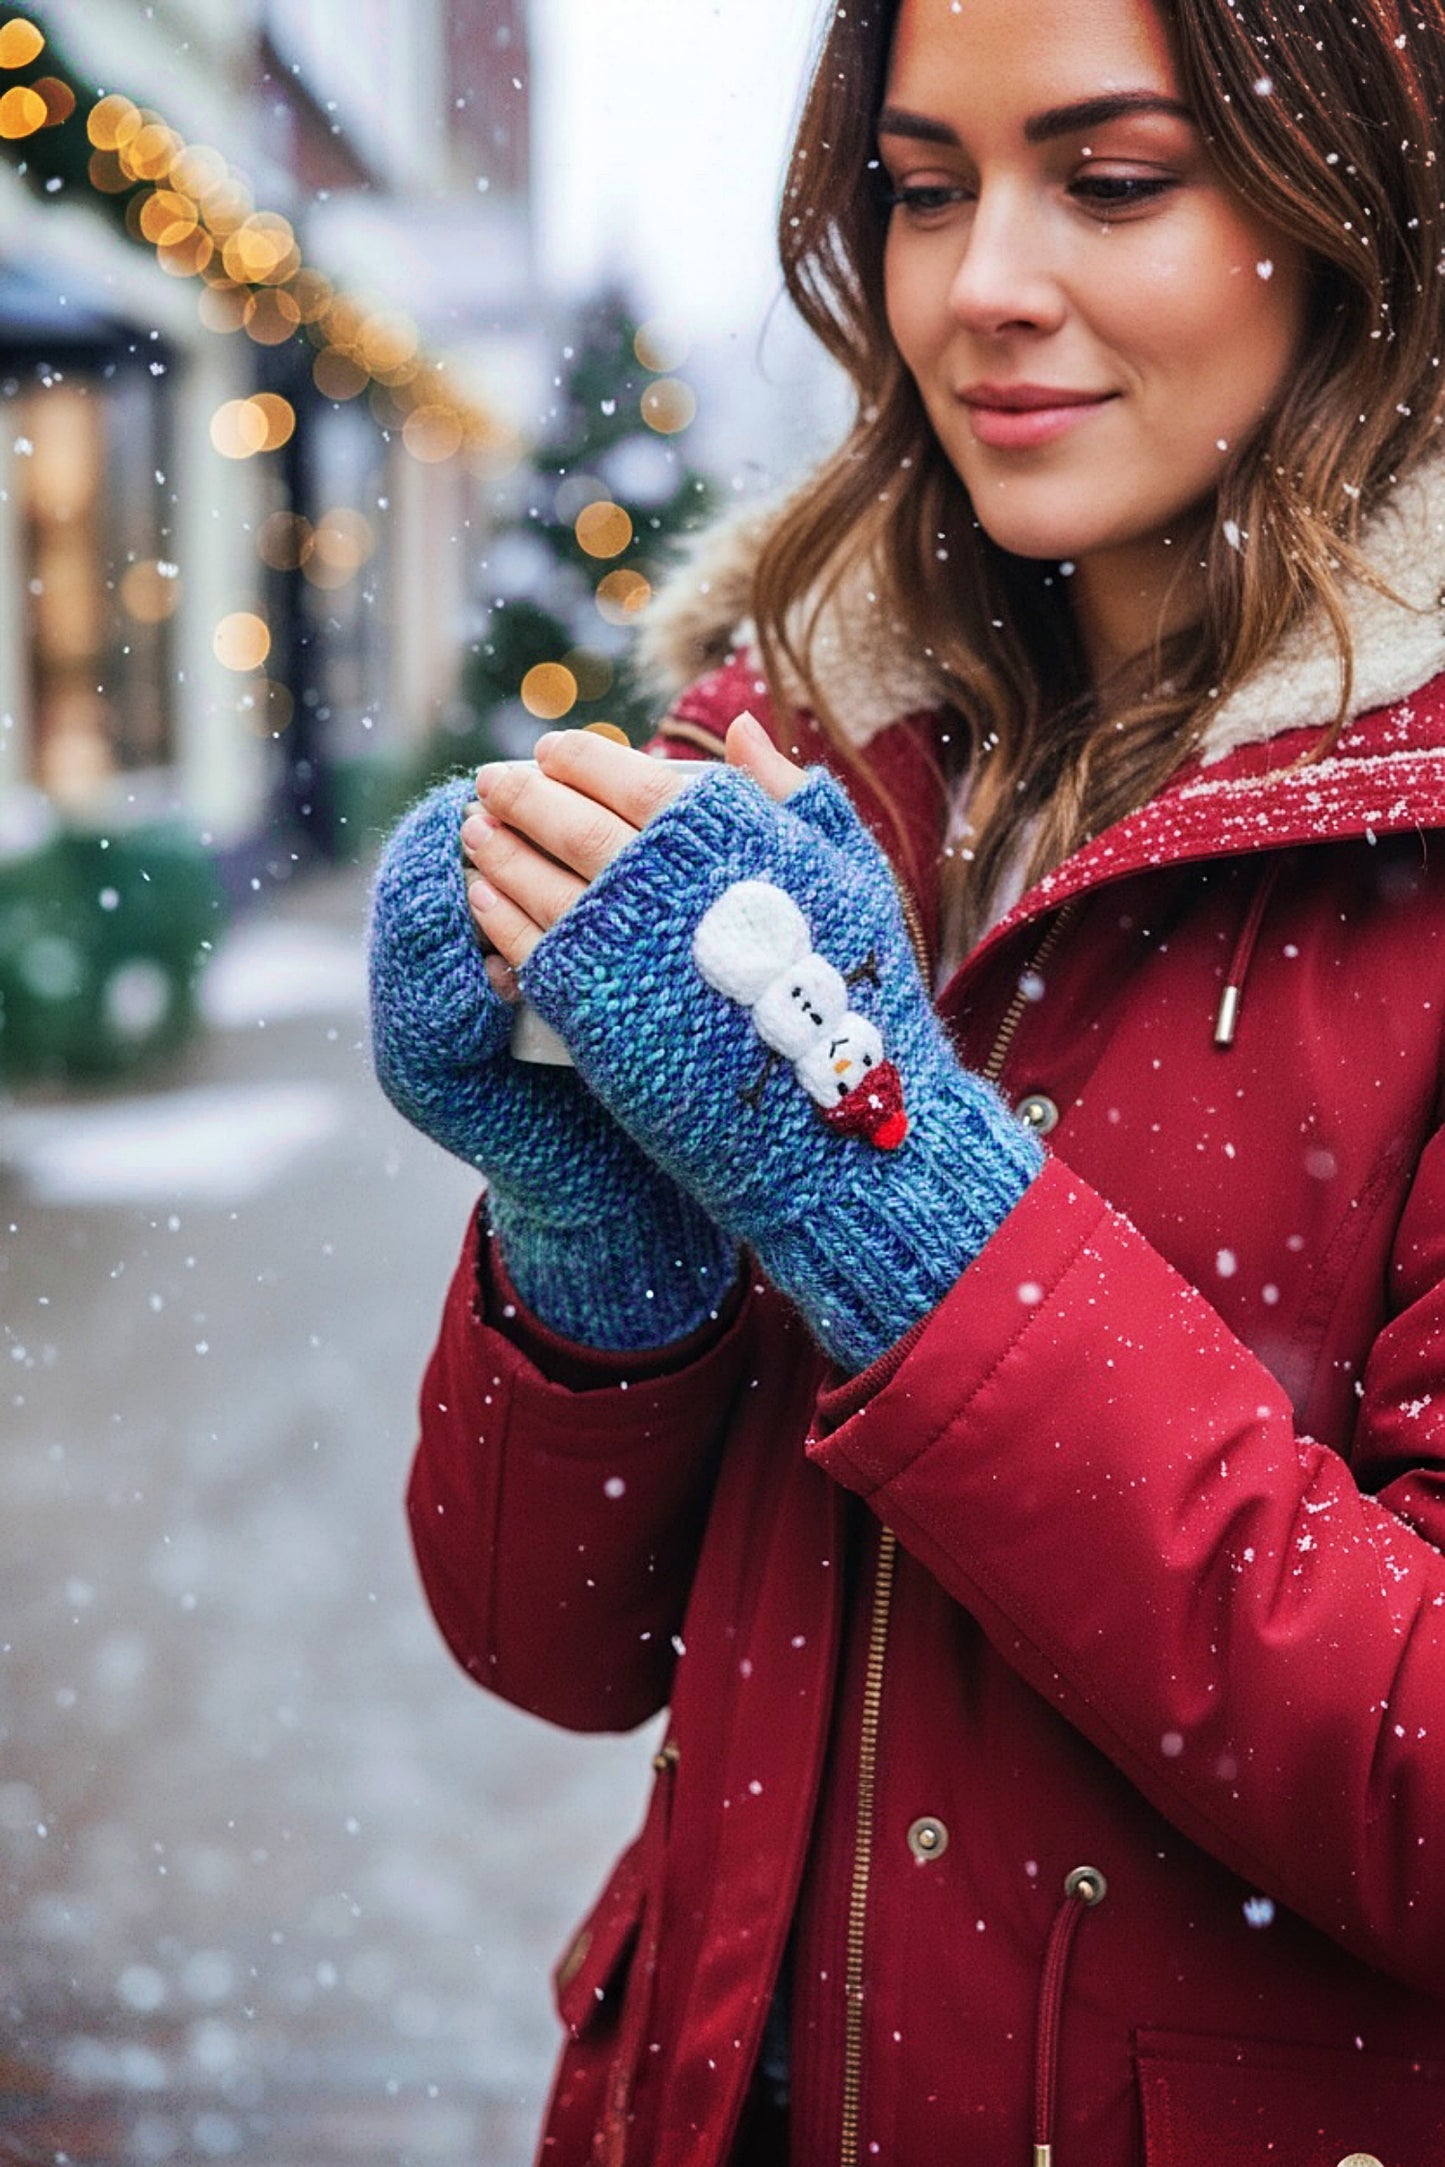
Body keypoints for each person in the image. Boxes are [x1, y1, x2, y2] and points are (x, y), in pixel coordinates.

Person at [367, 0, 1445, 2158]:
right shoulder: (816, 741)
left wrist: (896, 1195)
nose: (978, 289)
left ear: (1361, 200)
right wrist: (594, 1229)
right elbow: (551, 1647)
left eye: (1113, 179)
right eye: (924, 189)